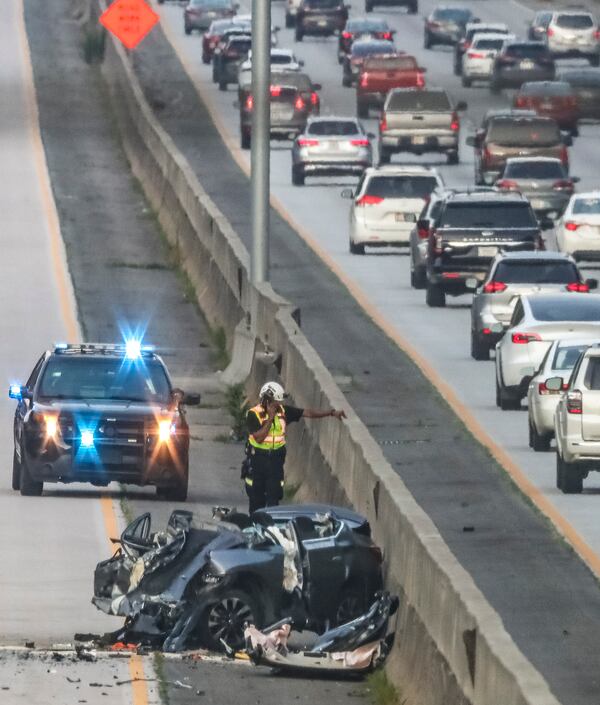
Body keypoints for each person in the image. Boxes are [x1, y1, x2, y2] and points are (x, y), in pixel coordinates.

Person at [243, 381, 346, 513]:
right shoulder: (253, 414)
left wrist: (331, 413)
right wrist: (270, 419)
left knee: (274, 500)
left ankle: (271, 528)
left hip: (275, 461)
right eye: (275, 401)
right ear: (267, 400)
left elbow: (307, 413)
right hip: (258, 460)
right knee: (257, 501)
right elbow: (259, 437)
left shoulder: (283, 412)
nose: (278, 404)